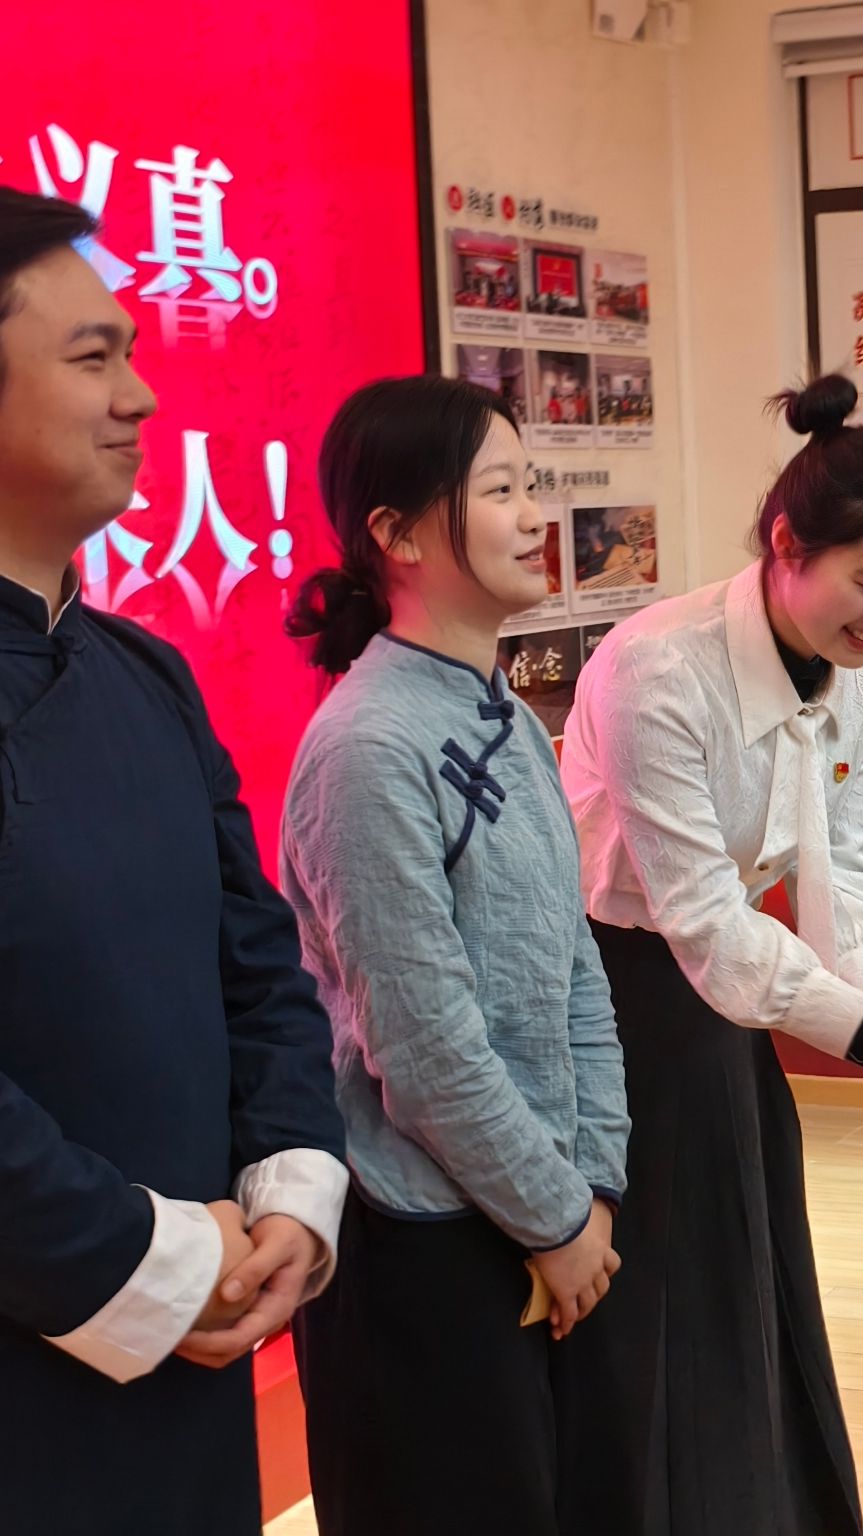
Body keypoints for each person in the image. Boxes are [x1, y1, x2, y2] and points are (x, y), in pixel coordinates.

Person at [556, 373, 863, 1535]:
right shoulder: (658, 670)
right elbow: (700, 920)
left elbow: (837, 854)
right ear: (787, 546)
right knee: (662, 1283)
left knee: (754, 1266)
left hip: (729, 989)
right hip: (613, 990)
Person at [0, 188, 347, 1534]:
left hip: (201, 1329)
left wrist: (290, 1194)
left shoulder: (147, 672)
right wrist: (145, 1261)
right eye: (93, 358)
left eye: (133, 353)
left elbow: (257, 961)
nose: (140, 397)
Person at [278, 376, 630, 1535]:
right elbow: (423, 1047)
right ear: (395, 533)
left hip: (541, 1221)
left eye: (532, 485)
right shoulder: (366, 745)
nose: (535, 516)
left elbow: (576, 969)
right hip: (423, 1242)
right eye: (500, 490)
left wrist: (592, 1191)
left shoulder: (504, 713)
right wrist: (556, 1220)